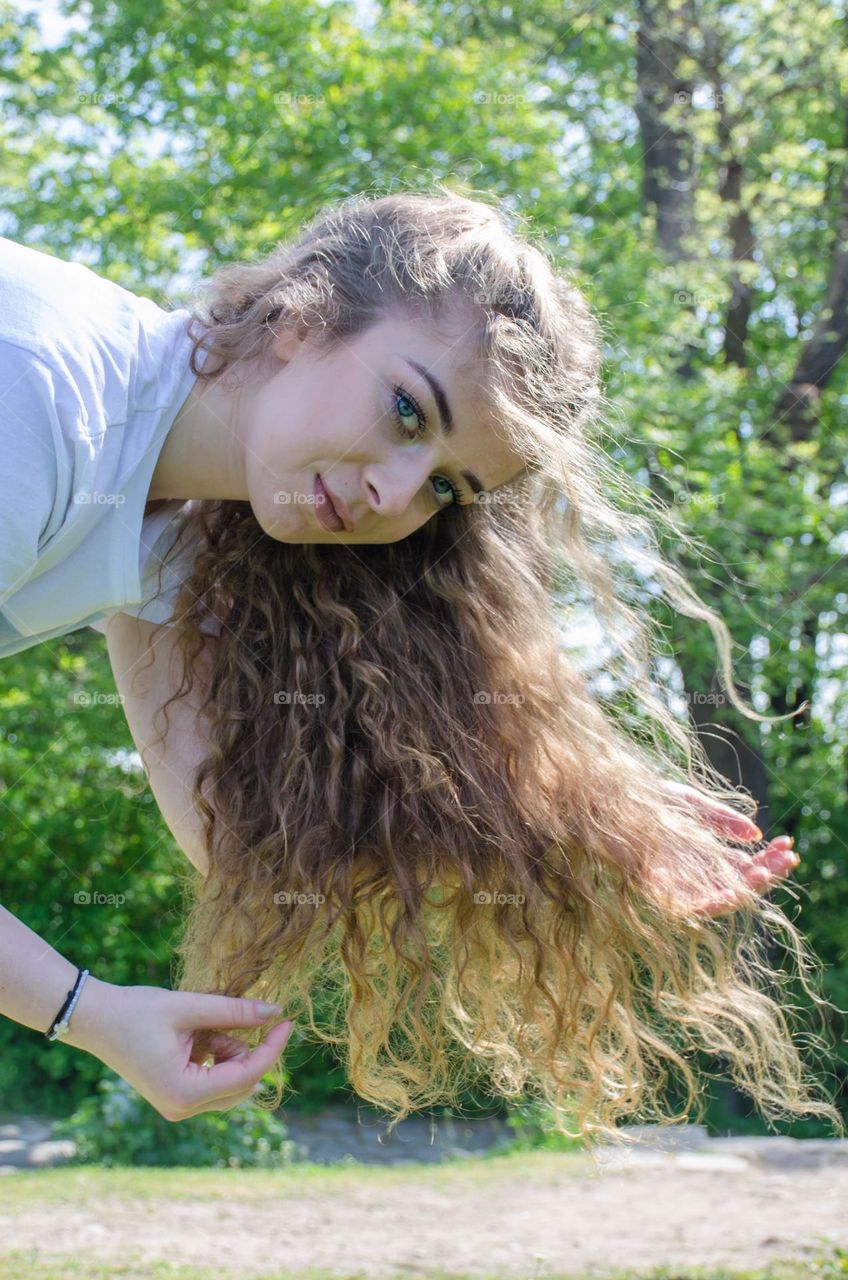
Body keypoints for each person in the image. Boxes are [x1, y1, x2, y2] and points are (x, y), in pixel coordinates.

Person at [0, 186, 834, 1138]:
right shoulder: (43, 395)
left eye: (446, 484)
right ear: (301, 318)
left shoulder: (164, 527)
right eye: (406, 409)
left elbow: (230, 838)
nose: (396, 495)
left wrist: (573, 832)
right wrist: (85, 1011)